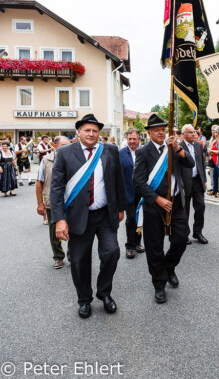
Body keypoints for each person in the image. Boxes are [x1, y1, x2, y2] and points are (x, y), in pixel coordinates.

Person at [50, 114, 126, 319]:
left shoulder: (110, 150)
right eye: (87, 130)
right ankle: (84, 300)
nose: (91, 134)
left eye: (95, 131)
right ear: (79, 132)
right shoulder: (65, 153)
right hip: (77, 216)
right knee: (78, 260)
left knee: (112, 253)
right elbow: (56, 188)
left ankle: (104, 292)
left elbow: (118, 180)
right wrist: (59, 219)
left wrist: (120, 208)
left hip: (104, 214)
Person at [133, 114, 194, 304]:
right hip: (154, 206)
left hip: (176, 203)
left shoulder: (173, 148)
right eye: (156, 130)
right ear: (149, 133)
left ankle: (169, 267)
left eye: (163, 129)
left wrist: (178, 147)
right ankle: (159, 283)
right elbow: (138, 182)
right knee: (154, 246)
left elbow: (190, 164)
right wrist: (157, 199)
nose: (161, 132)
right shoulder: (143, 152)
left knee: (181, 238)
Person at [36, 136, 71, 268]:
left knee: (74, 229)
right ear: (55, 146)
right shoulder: (46, 160)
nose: (67, 148)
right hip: (52, 202)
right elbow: (39, 183)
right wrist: (40, 204)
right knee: (54, 232)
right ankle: (58, 257)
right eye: (63, 145)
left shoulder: (74, 159)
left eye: (69, 145)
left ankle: (73, 255)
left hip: (71, 201)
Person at [119, 129, 145, 259]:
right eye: (130, 139)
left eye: (134, 139)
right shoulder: (120, 153)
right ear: (126, 140)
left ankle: (137, 243)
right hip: (128, 193)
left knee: (140, 219)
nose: (132, 141)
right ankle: (129, 246)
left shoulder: (144, 152)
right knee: (130, 220)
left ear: (139, 139)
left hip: (143, 194)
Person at [180, 124, 208, 245]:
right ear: (183, 134)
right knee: (184, 210)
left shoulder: (198, 145)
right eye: (190, 132)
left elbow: (201, 163)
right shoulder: (178, 147)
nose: (193, 134)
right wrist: (180, 185)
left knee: (201, 206)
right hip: (185, 182)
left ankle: (198, 232)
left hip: (197, 181)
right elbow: (176, 168)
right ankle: (184, 234)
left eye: (194, 132)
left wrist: (204, 180)